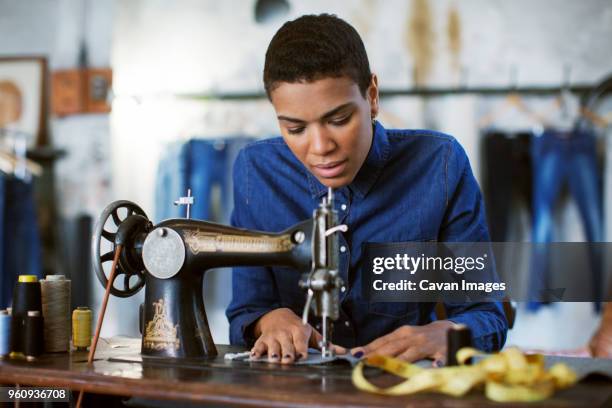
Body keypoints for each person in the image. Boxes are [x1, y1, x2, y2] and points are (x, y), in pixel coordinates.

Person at [226, 13, 507, 365]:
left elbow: (487, 316)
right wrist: (269, 320)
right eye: (295, 129)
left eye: (339, 120)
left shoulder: (440, 165)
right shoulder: (257, 170)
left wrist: (446, 333)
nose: (320, 146)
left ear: (372, 96)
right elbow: (246, 309)